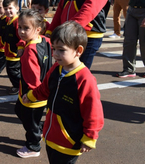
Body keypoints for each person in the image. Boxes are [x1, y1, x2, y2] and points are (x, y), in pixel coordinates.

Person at [23, 21, 104, 164]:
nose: (55, 54)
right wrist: (31, 96)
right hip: (52, 135)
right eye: (53, 49)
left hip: (70, 139)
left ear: (78, 51)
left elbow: (93, 111)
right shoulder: (57, 68)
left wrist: (90, 137)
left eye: (61, 50)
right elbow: (45, 88)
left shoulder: (85, 79)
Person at [15, 9, 52, 158]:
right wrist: (21, 44)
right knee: (20, 111)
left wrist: (31, 95)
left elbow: (33, 77)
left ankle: (33, 146)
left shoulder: (30, 50)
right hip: (42, 91)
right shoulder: (44, 40)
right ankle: (40, 129)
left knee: (30, 122)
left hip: (32, 94)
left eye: (26, 28)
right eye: (19, 27)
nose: (21, 31)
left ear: (37, 29)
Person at [3, 0, 22, 94]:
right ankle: (17, 85)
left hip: (14, 53)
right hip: (9, 52)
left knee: (13, 71)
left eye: (10, 8)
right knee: (11, 71)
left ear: (17, 8)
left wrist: (20, 48)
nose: (8, 11)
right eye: (6, 9)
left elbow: (21, 37)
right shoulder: (9, 20)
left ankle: (19, 86)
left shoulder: (17, 22)